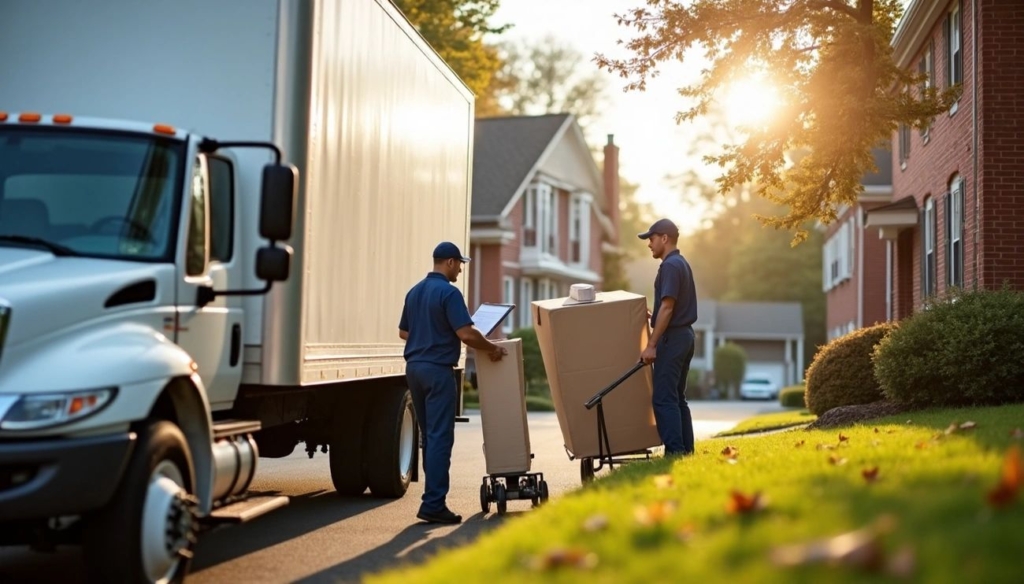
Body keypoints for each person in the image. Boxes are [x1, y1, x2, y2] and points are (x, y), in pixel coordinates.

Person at [399, 241, 507, 524]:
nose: (460, 269)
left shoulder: (415, 292)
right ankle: (433, 504)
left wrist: (426, 338)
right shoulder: (449, 292)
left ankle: (431, 500)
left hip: (414, 369)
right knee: (439, 437)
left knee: (428, 436)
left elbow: (403, 332)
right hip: (437, 372)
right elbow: (468, 335)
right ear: (449, 262)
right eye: (459, 263)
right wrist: (493, 348)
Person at [637, 218, 698, 456]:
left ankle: (675, 453)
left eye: (651, 239)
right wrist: (654, 317)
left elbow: (669, 307)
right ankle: (686, 452)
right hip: (684, 336)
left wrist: (651, 344)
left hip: (672, 340)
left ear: (664, 238)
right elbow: (670, 308)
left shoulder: (671, 266)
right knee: (677, 398)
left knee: (664, 398)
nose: (649, 244)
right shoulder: (680, 263)